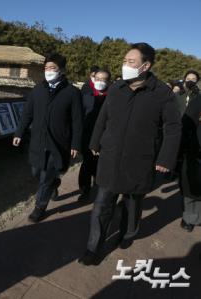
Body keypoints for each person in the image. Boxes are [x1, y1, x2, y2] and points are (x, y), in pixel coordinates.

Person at [78, 43, 182, 265]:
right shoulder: (116, 88)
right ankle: (93, 247)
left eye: (130, 62)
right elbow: (103, 117)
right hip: (110, 158)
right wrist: (95, 141)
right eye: (124, 61)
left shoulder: (162, 94)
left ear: (145, 66)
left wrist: (165, 159)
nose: (125, 65)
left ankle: (127, 234)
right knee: (101, 206)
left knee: (132, 205)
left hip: (140, 161)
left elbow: (173, 128)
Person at [13, 53, 83, 223]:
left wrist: (76, 143)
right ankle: (54, 183)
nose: (48, 71)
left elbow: (77, 120)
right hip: (37, 140)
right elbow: (27, 114)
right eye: (46, 68)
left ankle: (39, 208)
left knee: (45, 177)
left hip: (58, 143)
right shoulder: (38, 89)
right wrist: (19, 133)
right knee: (36, 171)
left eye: (52, 68)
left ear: (62, 70)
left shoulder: (72, 92)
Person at [78, 69, 111, 202]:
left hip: (104, 138)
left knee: (100, 165)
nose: (100, 82)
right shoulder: (86, 96)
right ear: (93, 78)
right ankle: (85, 190)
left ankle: (98, 187)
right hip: (88, 136)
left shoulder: (113, 98)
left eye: (103, 80)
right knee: (87, 163)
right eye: (98, 79)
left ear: (108, 81)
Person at [179, 71, 201, 232]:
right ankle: (190, 217)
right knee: (191, 187)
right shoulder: (198, 100)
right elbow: (187, 124)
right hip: (196, 150)